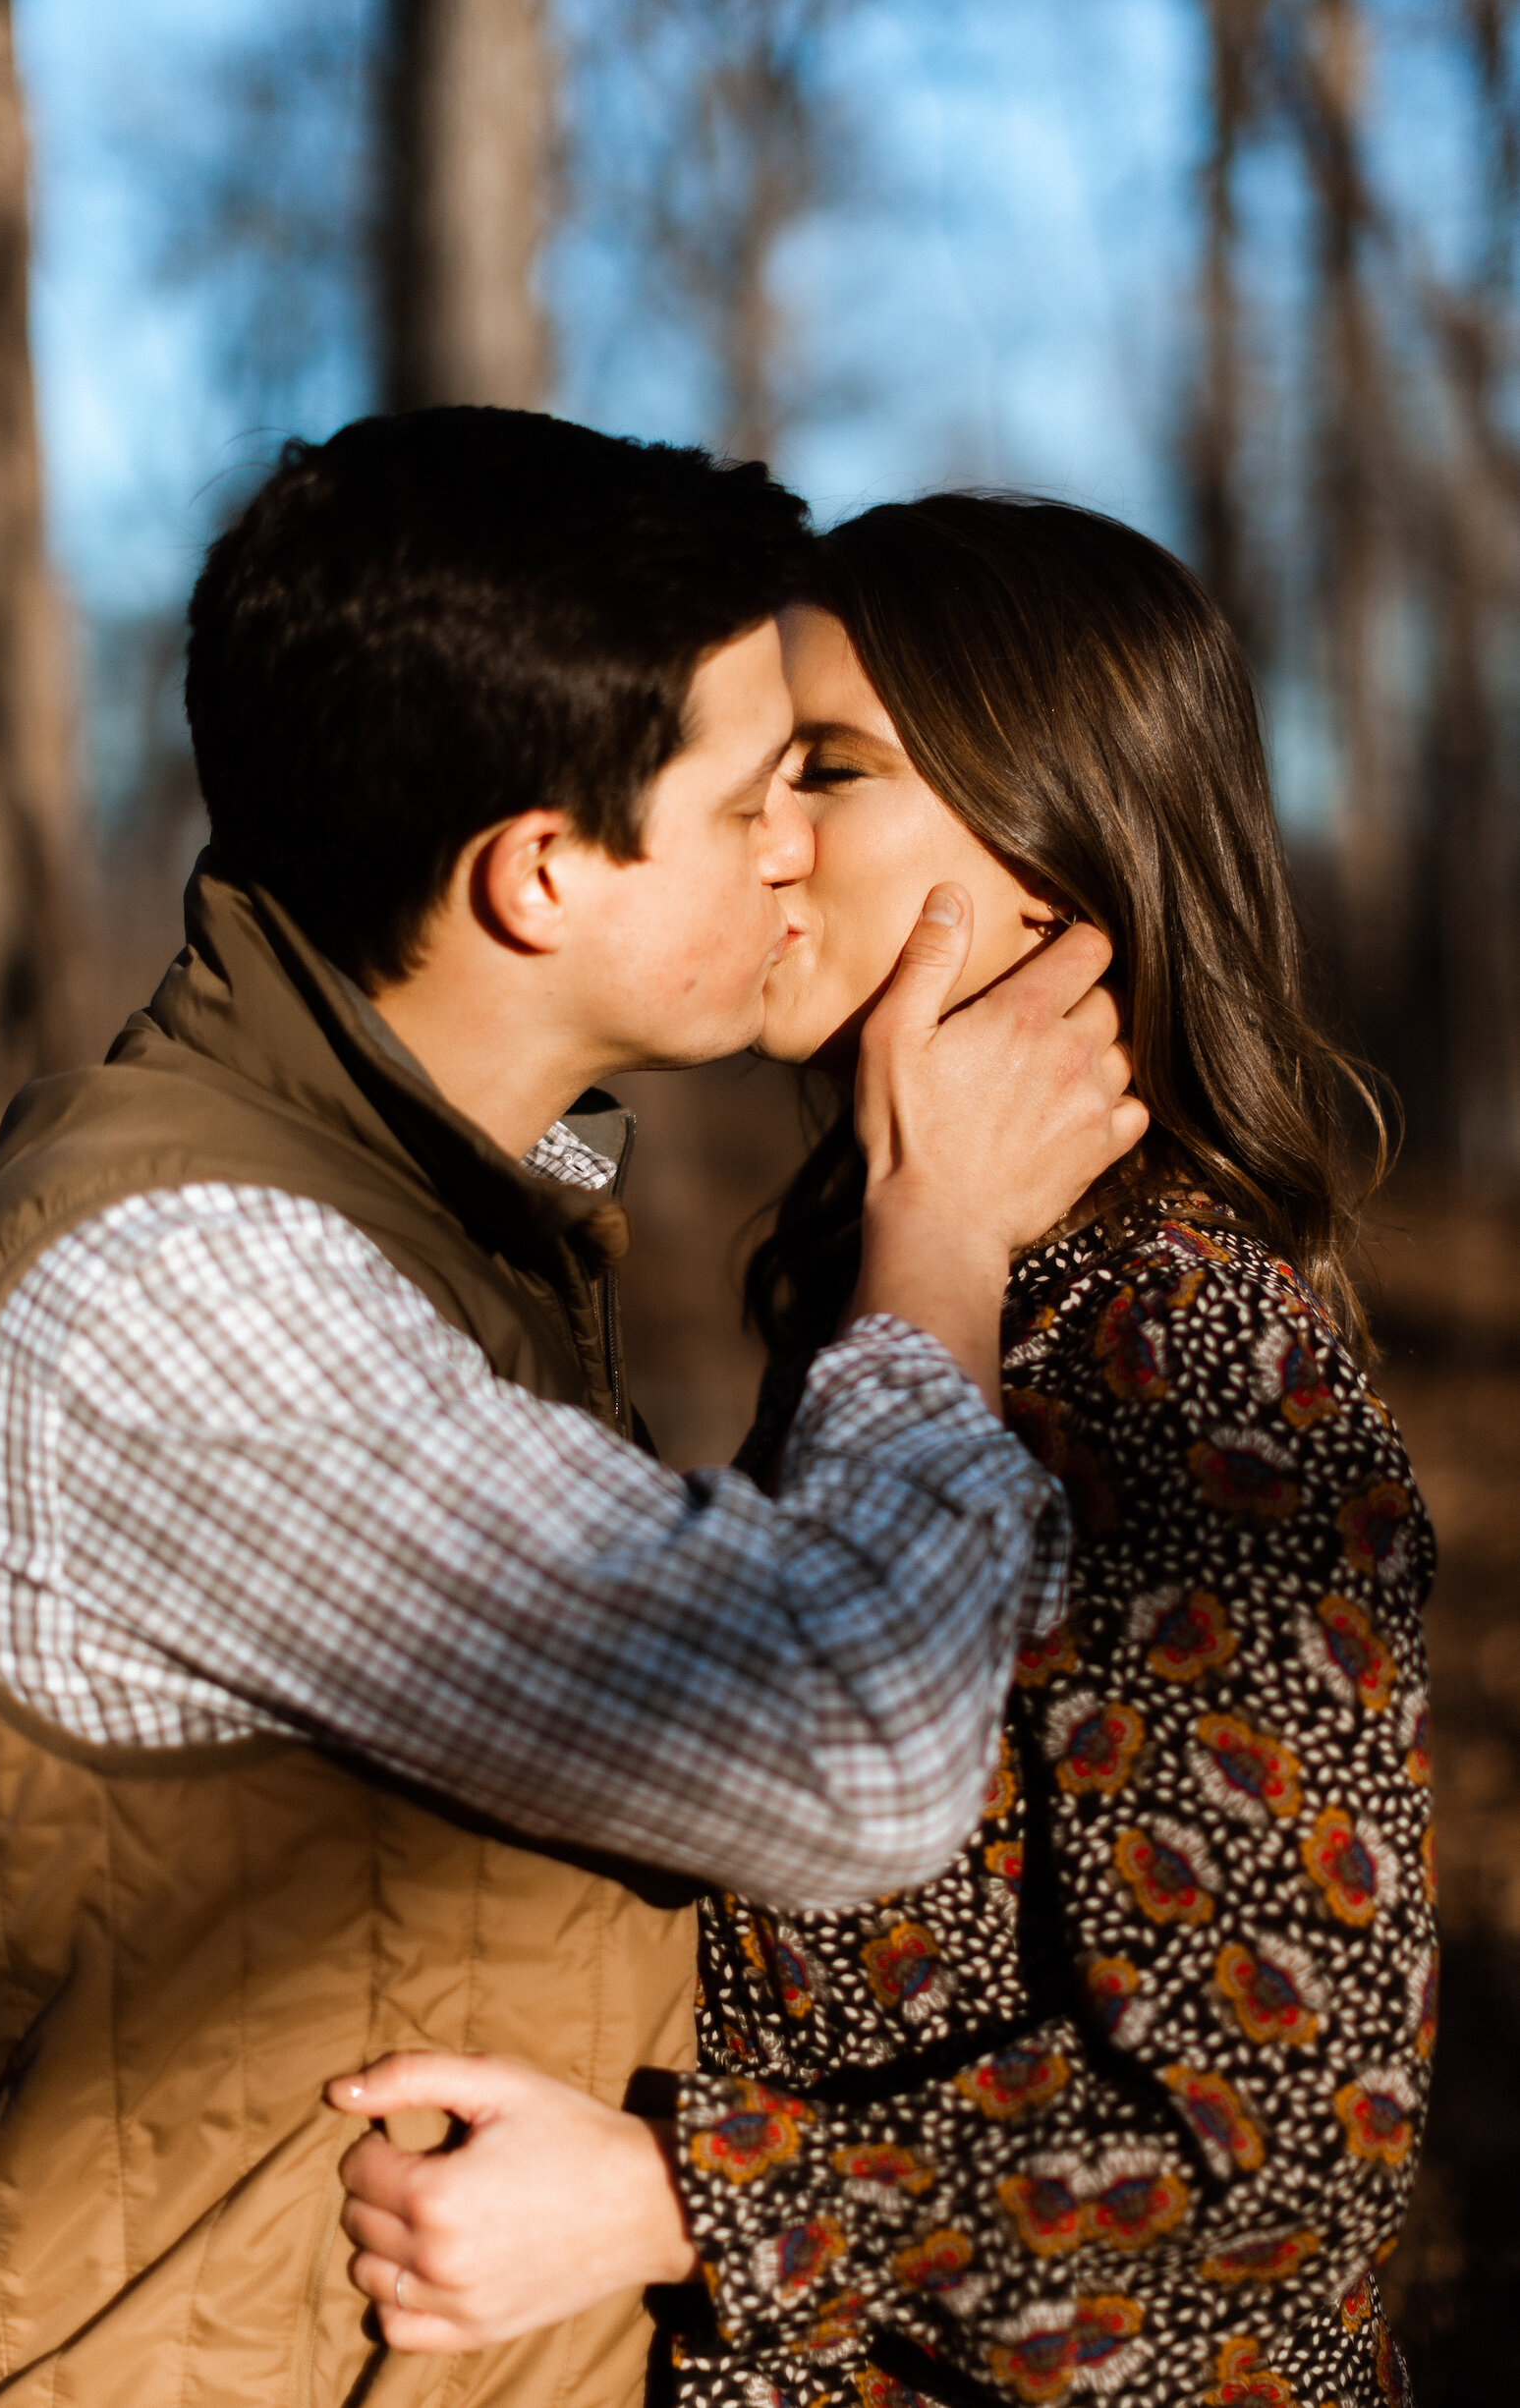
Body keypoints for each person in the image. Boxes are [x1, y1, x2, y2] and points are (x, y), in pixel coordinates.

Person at [0, 424, 1142, 2408]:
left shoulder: (452, 1216)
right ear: (542, 871)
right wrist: (940, 1228)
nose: (803, 847)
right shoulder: (188, 1300)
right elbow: (857, 1750)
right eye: (757, 797)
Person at [333, 496, 1436, 2408]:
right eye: (753, 773)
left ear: (1050, 849)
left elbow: (1288, 2175)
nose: (761, 840)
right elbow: (551, 1195)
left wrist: (679, 2201)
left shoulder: (1181, 1352)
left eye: (825, 771)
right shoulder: (890, 1277)